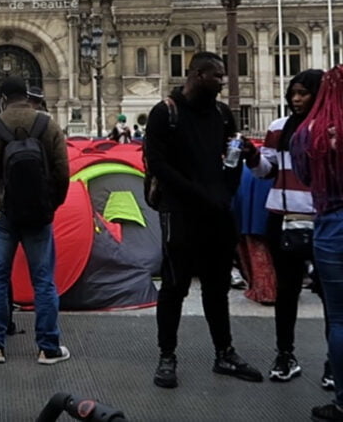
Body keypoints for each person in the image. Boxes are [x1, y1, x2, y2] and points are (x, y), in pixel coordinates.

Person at [145, 51, 262, 388]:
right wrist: (200, 193)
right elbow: (158, 165)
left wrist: (227, 190)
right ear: (197, 74)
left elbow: (232, 158)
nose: (222, 82)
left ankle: (224, 352)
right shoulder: (165, 113)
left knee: (217, 287)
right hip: (180, 213)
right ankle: (167, 355)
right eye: (217, 76)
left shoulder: (223, 115)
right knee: (174, 287)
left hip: (216, 214)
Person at [0, 77, 70, 366]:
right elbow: (62, 172)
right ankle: (48, 348)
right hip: (38, 215)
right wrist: (50, 205)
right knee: (43, 282)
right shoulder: (48, 125)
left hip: (2, 213)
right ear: (27, 96)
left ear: (3, 98)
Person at [247, 69, 327, 383]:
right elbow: (266, 172)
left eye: (303, 93)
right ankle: (285, 354)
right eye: (293, 93)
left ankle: (333, 362)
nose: (295, 99)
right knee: (286, 292)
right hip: (282, 218)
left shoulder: (332, 127)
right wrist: (252, 157)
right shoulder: (278, 127)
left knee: (331, 295)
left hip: (323, 220)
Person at [291, 65, 343, 421]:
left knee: (338, 319)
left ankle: (342, 401)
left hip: (332, 226)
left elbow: (305, 175)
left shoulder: (308, 133)